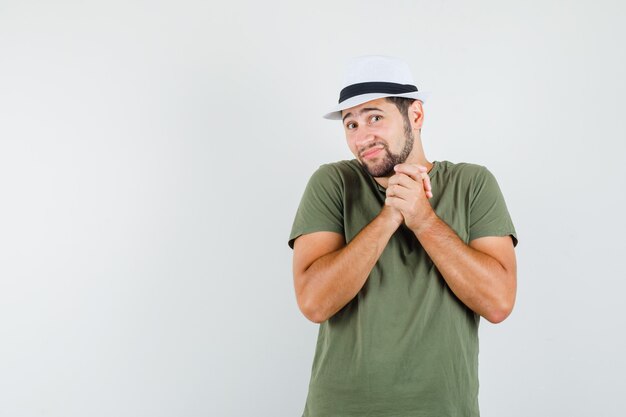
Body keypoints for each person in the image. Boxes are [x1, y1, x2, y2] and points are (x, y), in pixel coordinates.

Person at [287, 55, 518, 417]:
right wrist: (388, 216)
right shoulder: (332, 184)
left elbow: (498, 302)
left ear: (416, 116)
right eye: (351, 124)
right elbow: (314, 302)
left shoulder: (473, 184)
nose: (362, 137)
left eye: (375, 117)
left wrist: (423, 219)